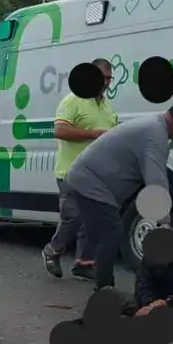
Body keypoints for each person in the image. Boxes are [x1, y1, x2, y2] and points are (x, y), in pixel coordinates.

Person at [63, 97, 173, 291]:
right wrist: (165, 222)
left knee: (102, 231)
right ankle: (104, 288)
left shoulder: (156, 127)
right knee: (111, 232)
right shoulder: (155, 135)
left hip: (92, 180)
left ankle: (87, 269)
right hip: (90, 181)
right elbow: (155, 180)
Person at [43, 57, 118, 280]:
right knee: (73, 217)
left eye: (109, 78)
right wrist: (94, 134)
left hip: (97, 174)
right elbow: (59, 130)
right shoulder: (73, 100)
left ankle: (83, 263)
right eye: (102, 77)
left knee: (92, 220)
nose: (106, 82)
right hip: (71, 171)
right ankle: (53, 250)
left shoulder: (107, 106)